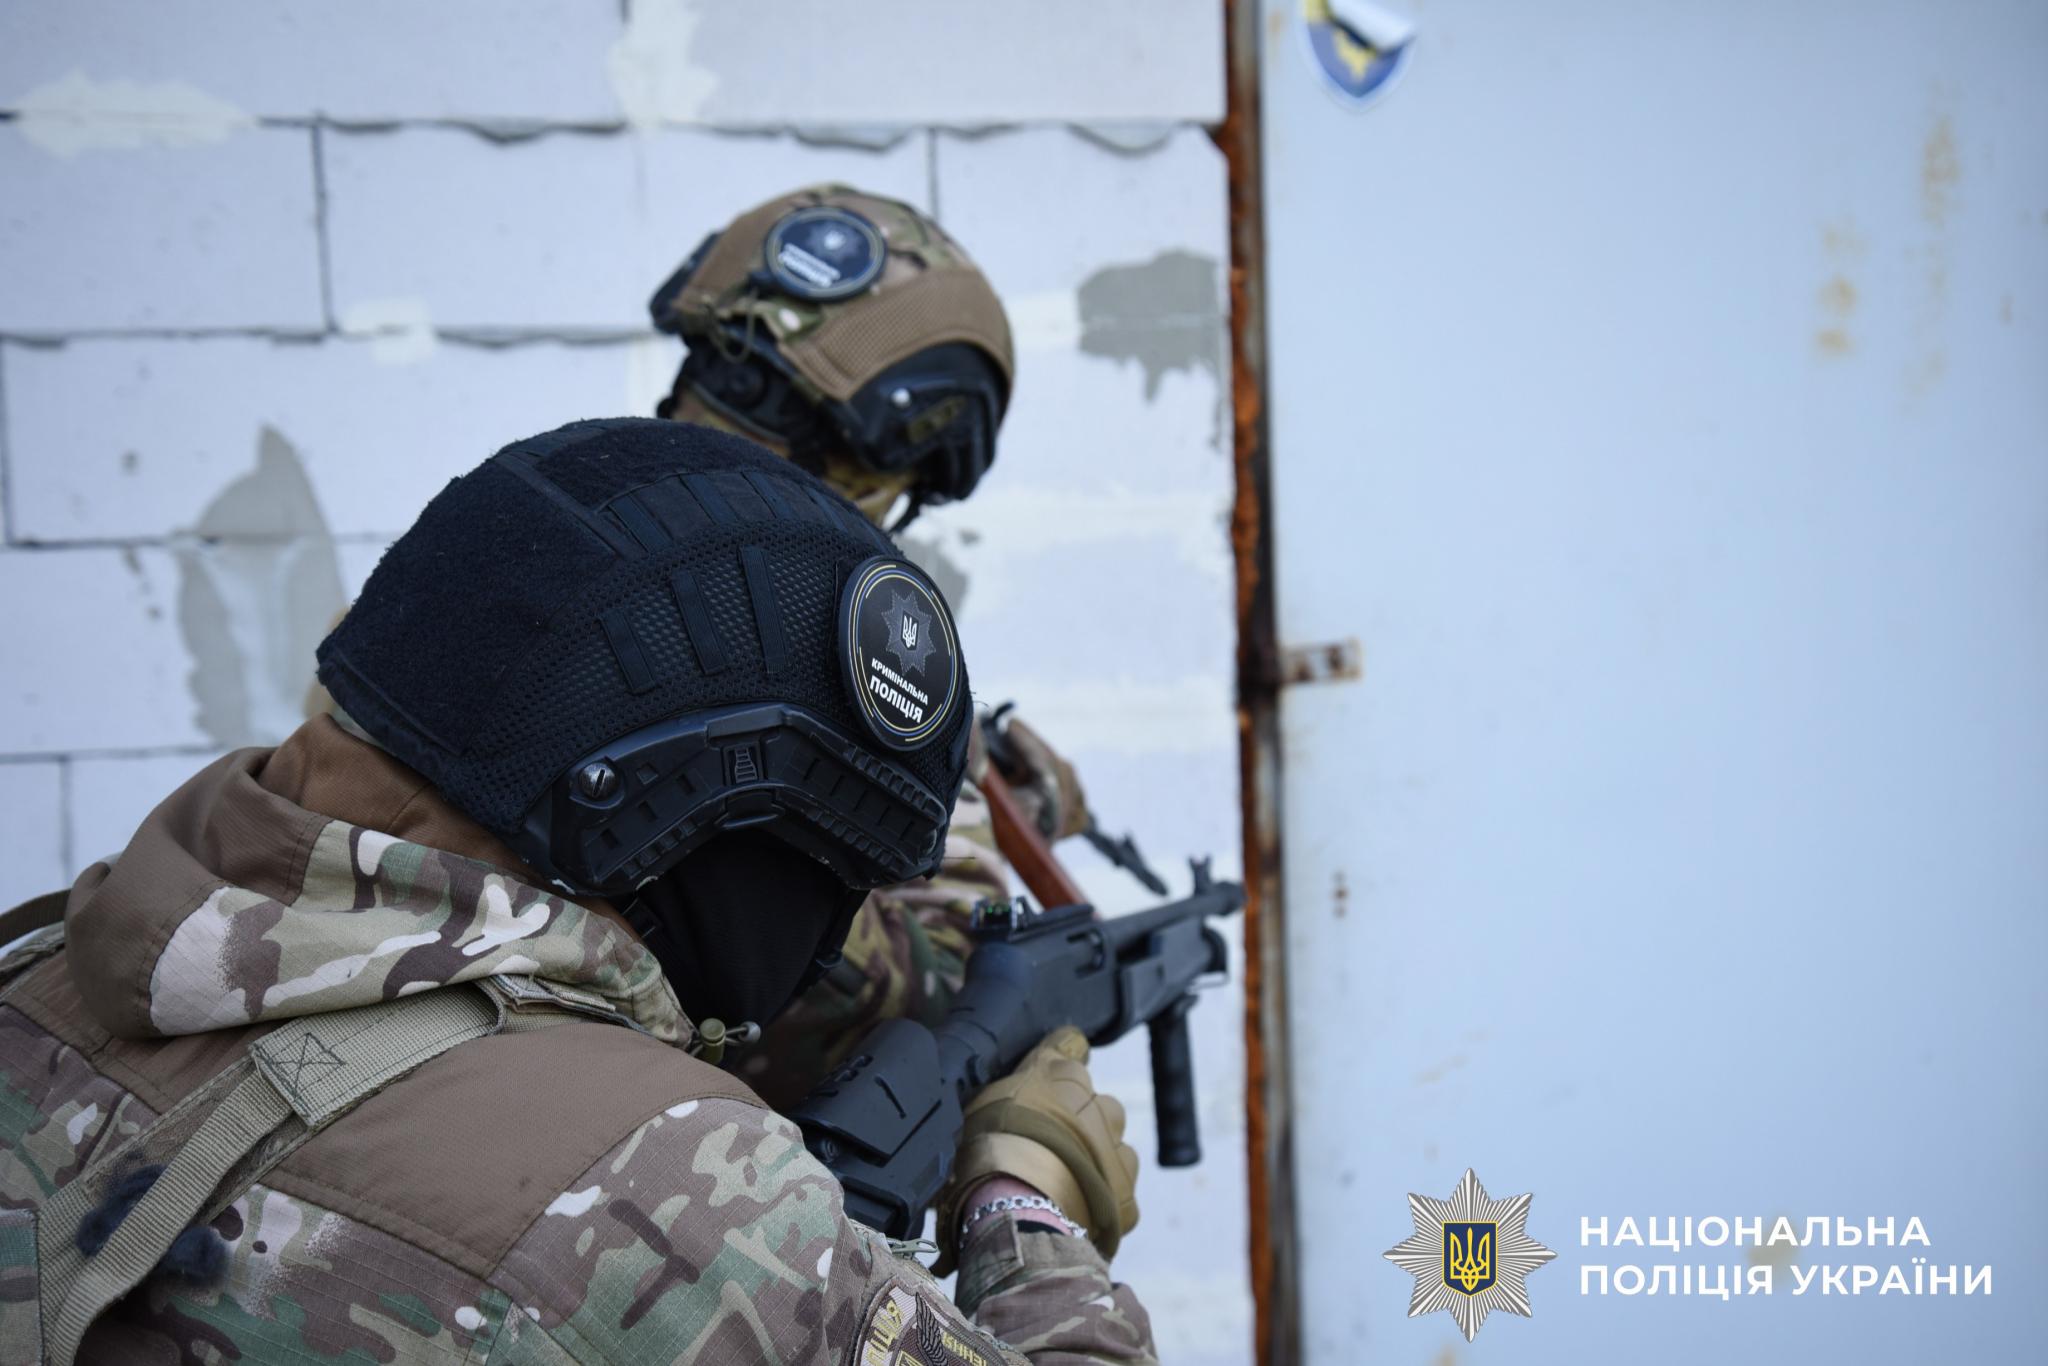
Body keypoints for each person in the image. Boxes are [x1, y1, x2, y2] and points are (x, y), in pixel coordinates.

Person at [0, 419, 1153, 1364]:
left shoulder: (41, 969)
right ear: (687, 818)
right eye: (833, 877)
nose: (840, 923)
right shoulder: (677, 1193)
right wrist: (1024, 1198)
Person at [648, 187, 1096, 1109]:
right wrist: (948, 813)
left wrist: (988, 794)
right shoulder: (789, 645)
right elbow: (939, 999)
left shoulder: (505, 539)